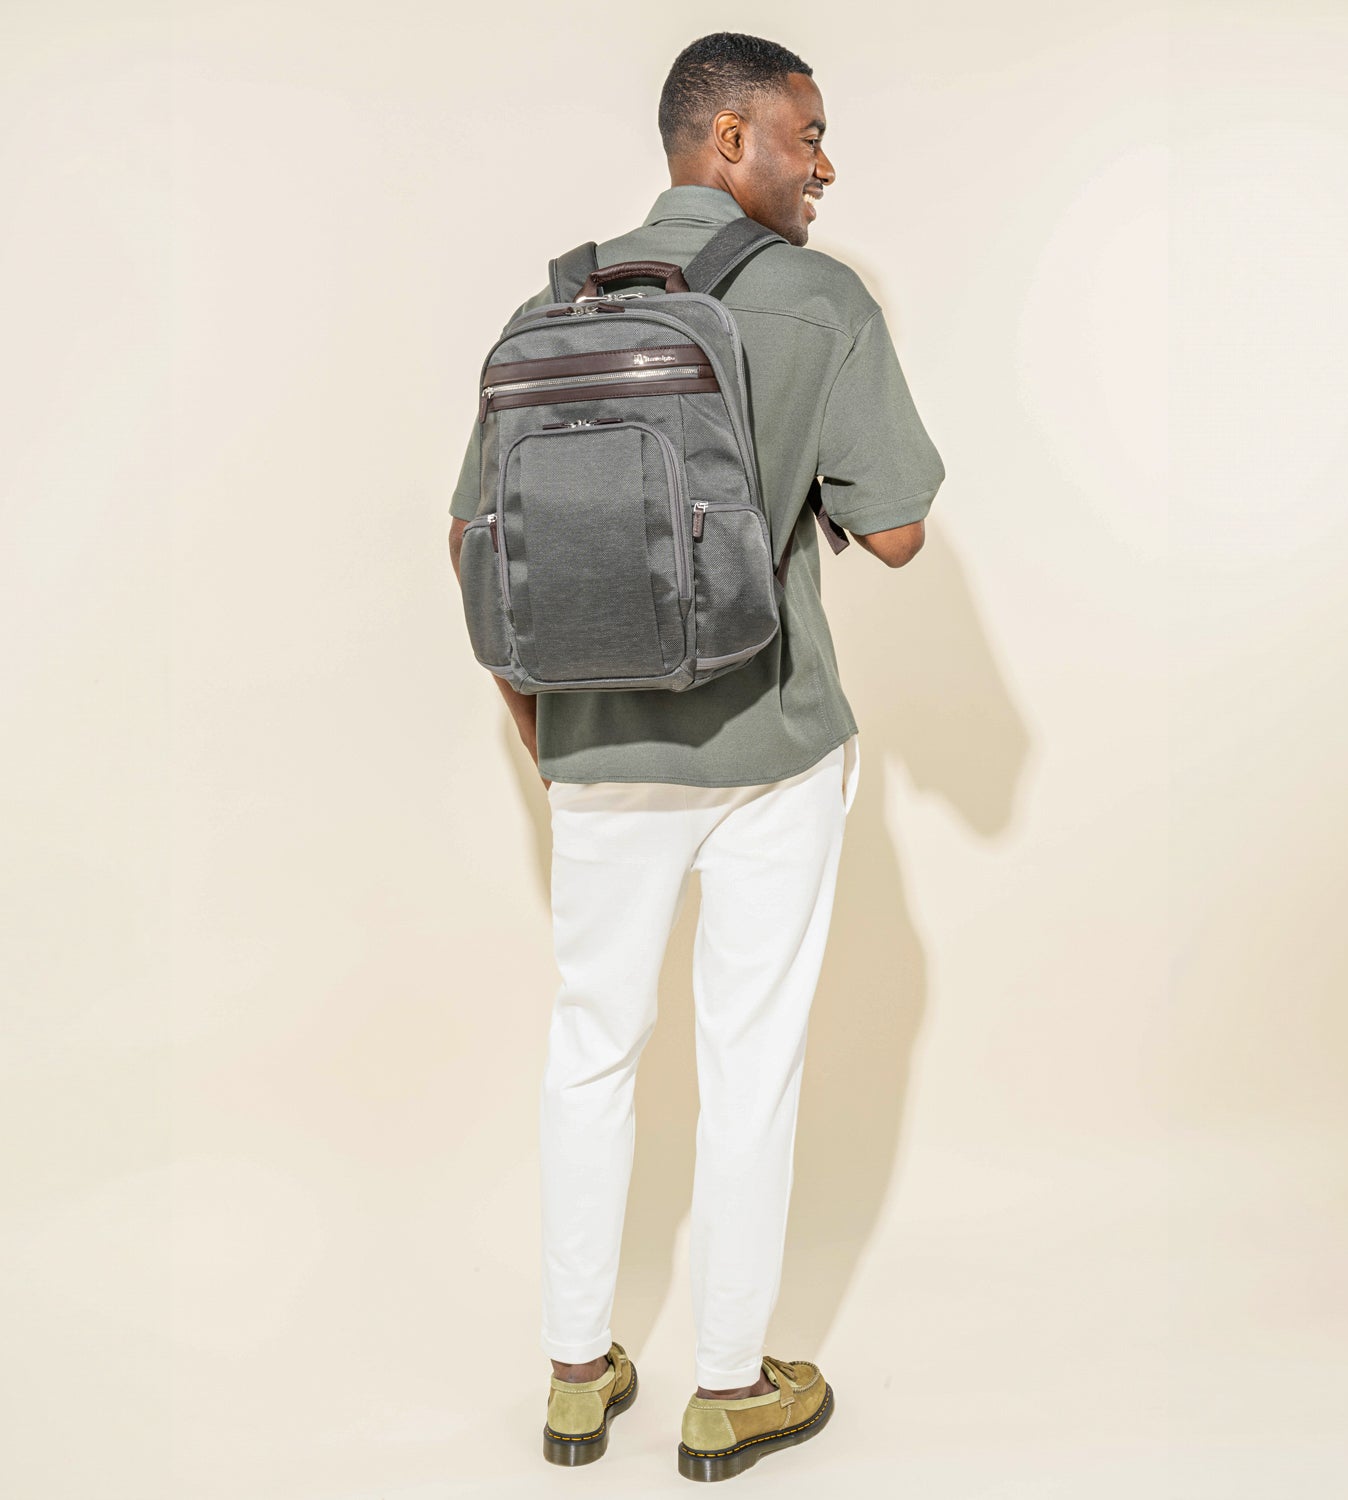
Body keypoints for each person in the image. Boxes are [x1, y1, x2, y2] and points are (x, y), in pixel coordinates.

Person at [447, 30, 945, 1482]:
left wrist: (541, 721)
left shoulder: (555, 305)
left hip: (600, 754)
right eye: (807, 135)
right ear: (729, 142)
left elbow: (473, 536)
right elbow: (901, 528)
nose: (825, 163)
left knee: (589, 1053)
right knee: (752, 1063)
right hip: (771, 742)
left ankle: (572, 1375)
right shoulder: (817, 302)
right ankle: (729, 1390)